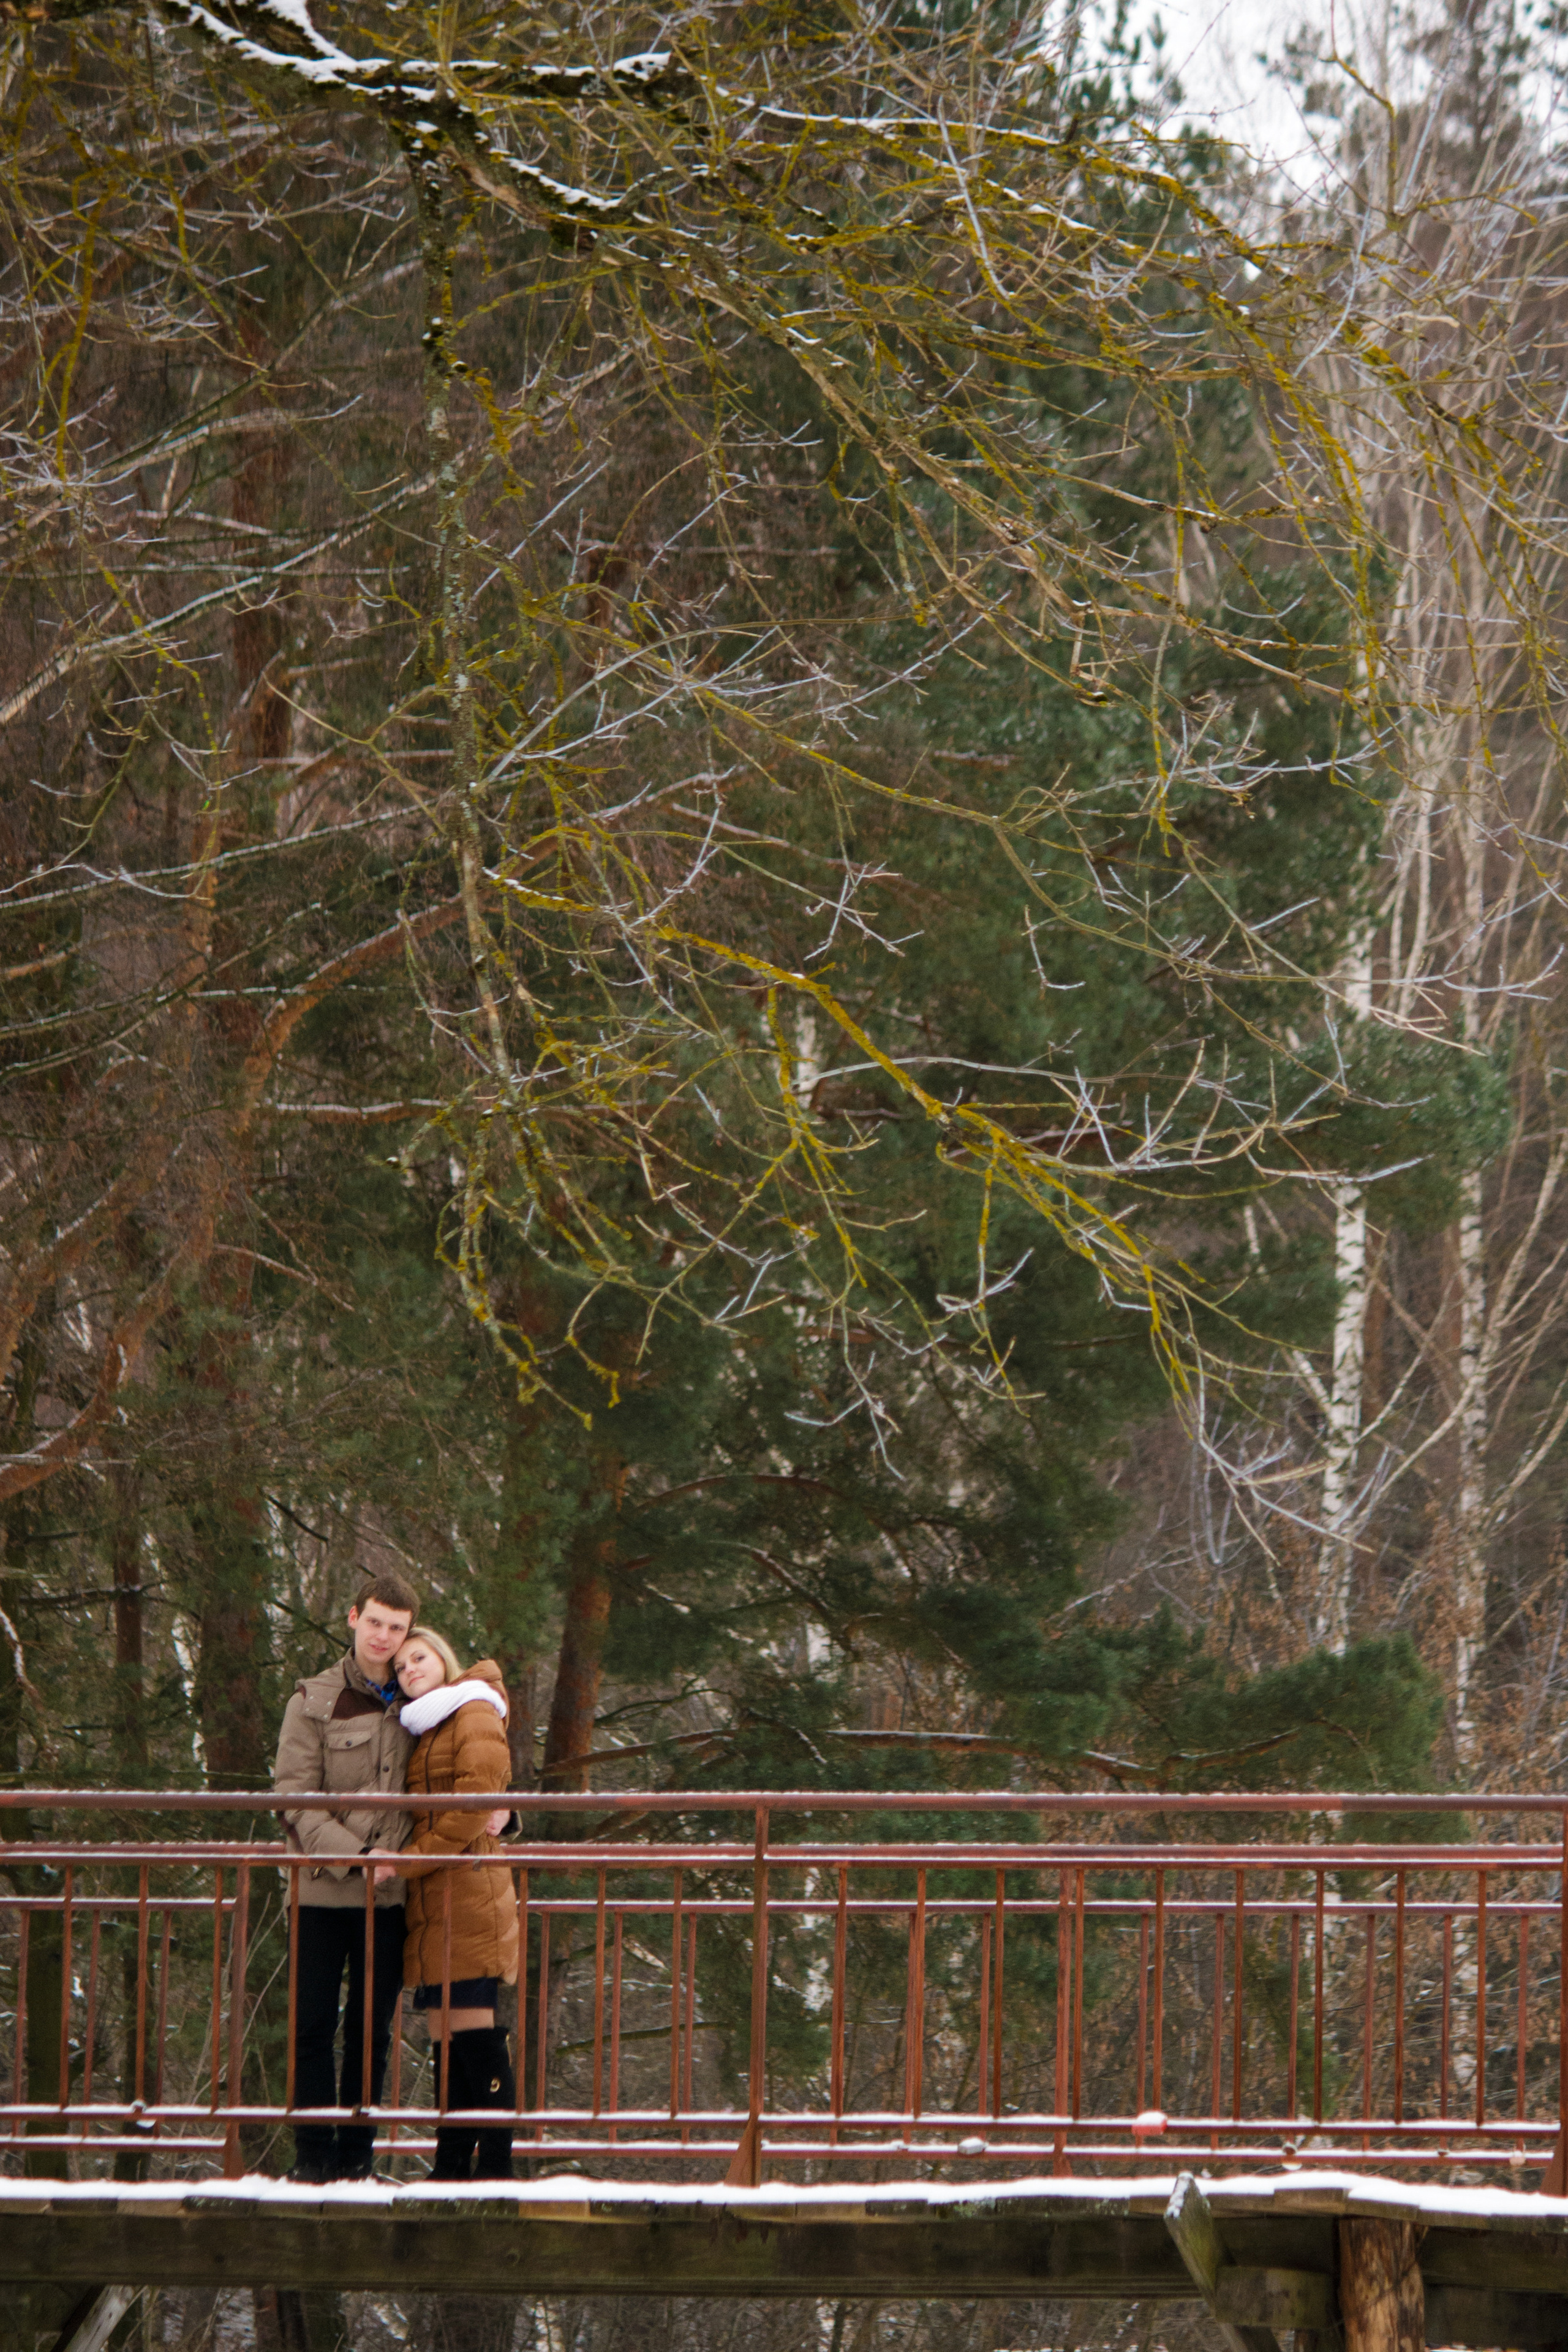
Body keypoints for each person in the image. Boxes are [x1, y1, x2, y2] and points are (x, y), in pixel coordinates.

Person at [272, 1569, 420, 2184]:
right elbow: (292, 1798)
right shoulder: (313, 1699)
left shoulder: (423, 1695)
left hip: (389, 1900)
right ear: (354, 1618)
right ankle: (312, 2156)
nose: (384, 1638)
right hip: (321, 1890)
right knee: (311, 2024)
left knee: (370, 2029)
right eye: (376, 1623)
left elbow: (471, 1765)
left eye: (398, 1628)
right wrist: (357, 1853)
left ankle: (358, 2156)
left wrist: (504, 1812)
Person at [381, 1627, 519, 2181]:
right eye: (400, 1667)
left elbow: (471, 1808)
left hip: (468, 1890)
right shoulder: (431, 1722)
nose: (409, 1669)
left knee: (475, 2037)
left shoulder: (473, 1708)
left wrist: (409, 1860)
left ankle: (498, 2169)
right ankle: (453, 2163)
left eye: (419, 1657)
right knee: (447, 2040)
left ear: (443, 1658)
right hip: (438, 1897)